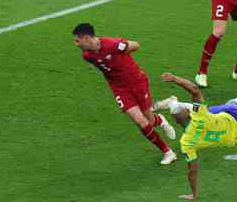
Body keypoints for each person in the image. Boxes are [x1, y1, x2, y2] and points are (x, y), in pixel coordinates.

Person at [155, 66, 237, 200]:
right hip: (235, 116)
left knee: (219, 109)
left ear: (176, 121)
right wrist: (174, 79)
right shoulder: (200, 114)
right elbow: (194, 89)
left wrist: (194, 194)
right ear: (188, 113)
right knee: (230, 103)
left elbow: (192, 171)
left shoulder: (186, 143)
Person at [72, 23, 177, 165]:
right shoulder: (87, 55)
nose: (76, 43)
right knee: (140, 121)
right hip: (120, 89)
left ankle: (160, 120)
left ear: (86, 38)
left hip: (137, 82)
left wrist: (122, 53)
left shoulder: (112, 44)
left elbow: (136, 45)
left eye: (77, 40)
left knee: (150, 121)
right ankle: (168, 152)